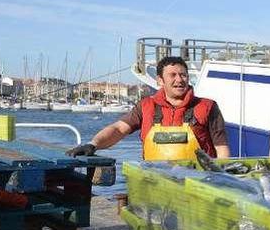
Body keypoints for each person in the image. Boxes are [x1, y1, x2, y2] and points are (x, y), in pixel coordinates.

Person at [66, 56, 231, 160]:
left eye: (183, 75)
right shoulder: (146, 106)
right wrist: (93, 144)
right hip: (154, 182)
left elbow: (221, 149)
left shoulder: (207, 106)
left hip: (197, 185)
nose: (179, 80)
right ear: (160, 80)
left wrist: (220, 179)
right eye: (172, 75)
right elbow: (118, 129)